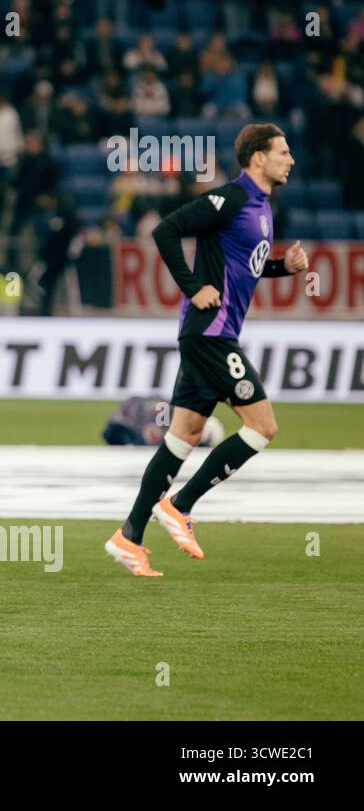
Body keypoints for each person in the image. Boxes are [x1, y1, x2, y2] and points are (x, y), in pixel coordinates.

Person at [106, 123, 309, 576]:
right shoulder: (233, 197)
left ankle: (129, 536)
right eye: (283, 151)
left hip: (214, 333)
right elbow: (166, 230)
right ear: (258, 158)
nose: (290, 160)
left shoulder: (261, 207)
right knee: (263, 425)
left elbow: (243, 267)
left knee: (184, 437)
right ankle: (180, 505)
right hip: (210, 333)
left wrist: (281, 266)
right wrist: (194, 287)